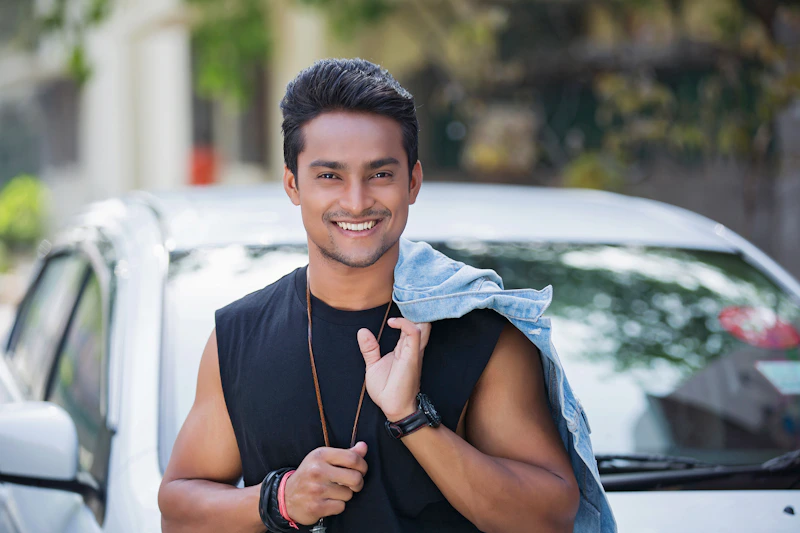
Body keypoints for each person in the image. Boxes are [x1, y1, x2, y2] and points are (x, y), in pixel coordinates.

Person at [159, 58, 584, 533]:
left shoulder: (482, 332)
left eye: (380, 175)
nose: (357, 202)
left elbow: (551, 518)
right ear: (293, 185)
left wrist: (411, 418)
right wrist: (280, 499)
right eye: (330, 176)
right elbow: (177, 515)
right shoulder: (238, 335)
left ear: (413, 182)